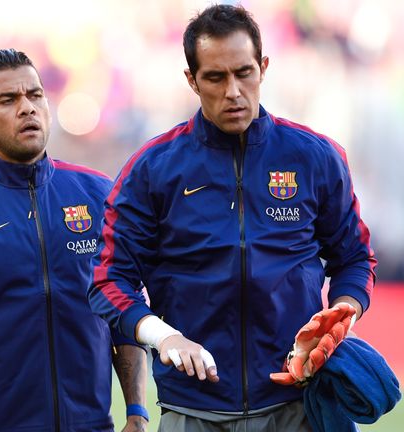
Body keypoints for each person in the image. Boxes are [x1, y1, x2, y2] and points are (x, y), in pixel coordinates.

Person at [88, 4, 376, 431]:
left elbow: (354, 257)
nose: (233, 91)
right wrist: (162, 336)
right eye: (216, 77)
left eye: (244, 73)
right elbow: (109, 280)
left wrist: (342, 312)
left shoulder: (316, 156)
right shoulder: (152, 168)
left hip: (298, 403)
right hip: (193, 409)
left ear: (263, 68)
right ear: (192, 80)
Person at [0, 49, 149, 432]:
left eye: (35, 96)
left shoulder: (97, 194)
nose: (27, 108)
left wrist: (136, 413)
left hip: (91, 424)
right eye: (8, 100)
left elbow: (123, 308)